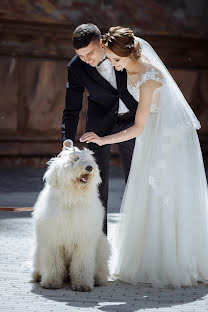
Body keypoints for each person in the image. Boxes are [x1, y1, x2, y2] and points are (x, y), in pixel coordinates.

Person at [80, 26, 208, 288]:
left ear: (129, 54)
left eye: (116, 60)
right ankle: (147, 259)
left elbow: (138, 126)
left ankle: (174, 262)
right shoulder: (128, 67)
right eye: (111, 59)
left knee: (164, 193)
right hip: (151, 133)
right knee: (145, 193)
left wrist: (103, 139)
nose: (114, 65)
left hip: (169, 138)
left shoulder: (150, 76)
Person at [61, 24, 138, 234]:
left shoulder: (121, 48)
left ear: (101, 42)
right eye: (81, 55)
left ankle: (137, 240)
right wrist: (67, 140)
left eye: (90, 53)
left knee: (136, 181)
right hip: (98, 126)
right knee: (96, 185)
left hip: (132, 121)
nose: (87, 59)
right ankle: (99, 243)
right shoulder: (76, 67)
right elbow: (71, 107)